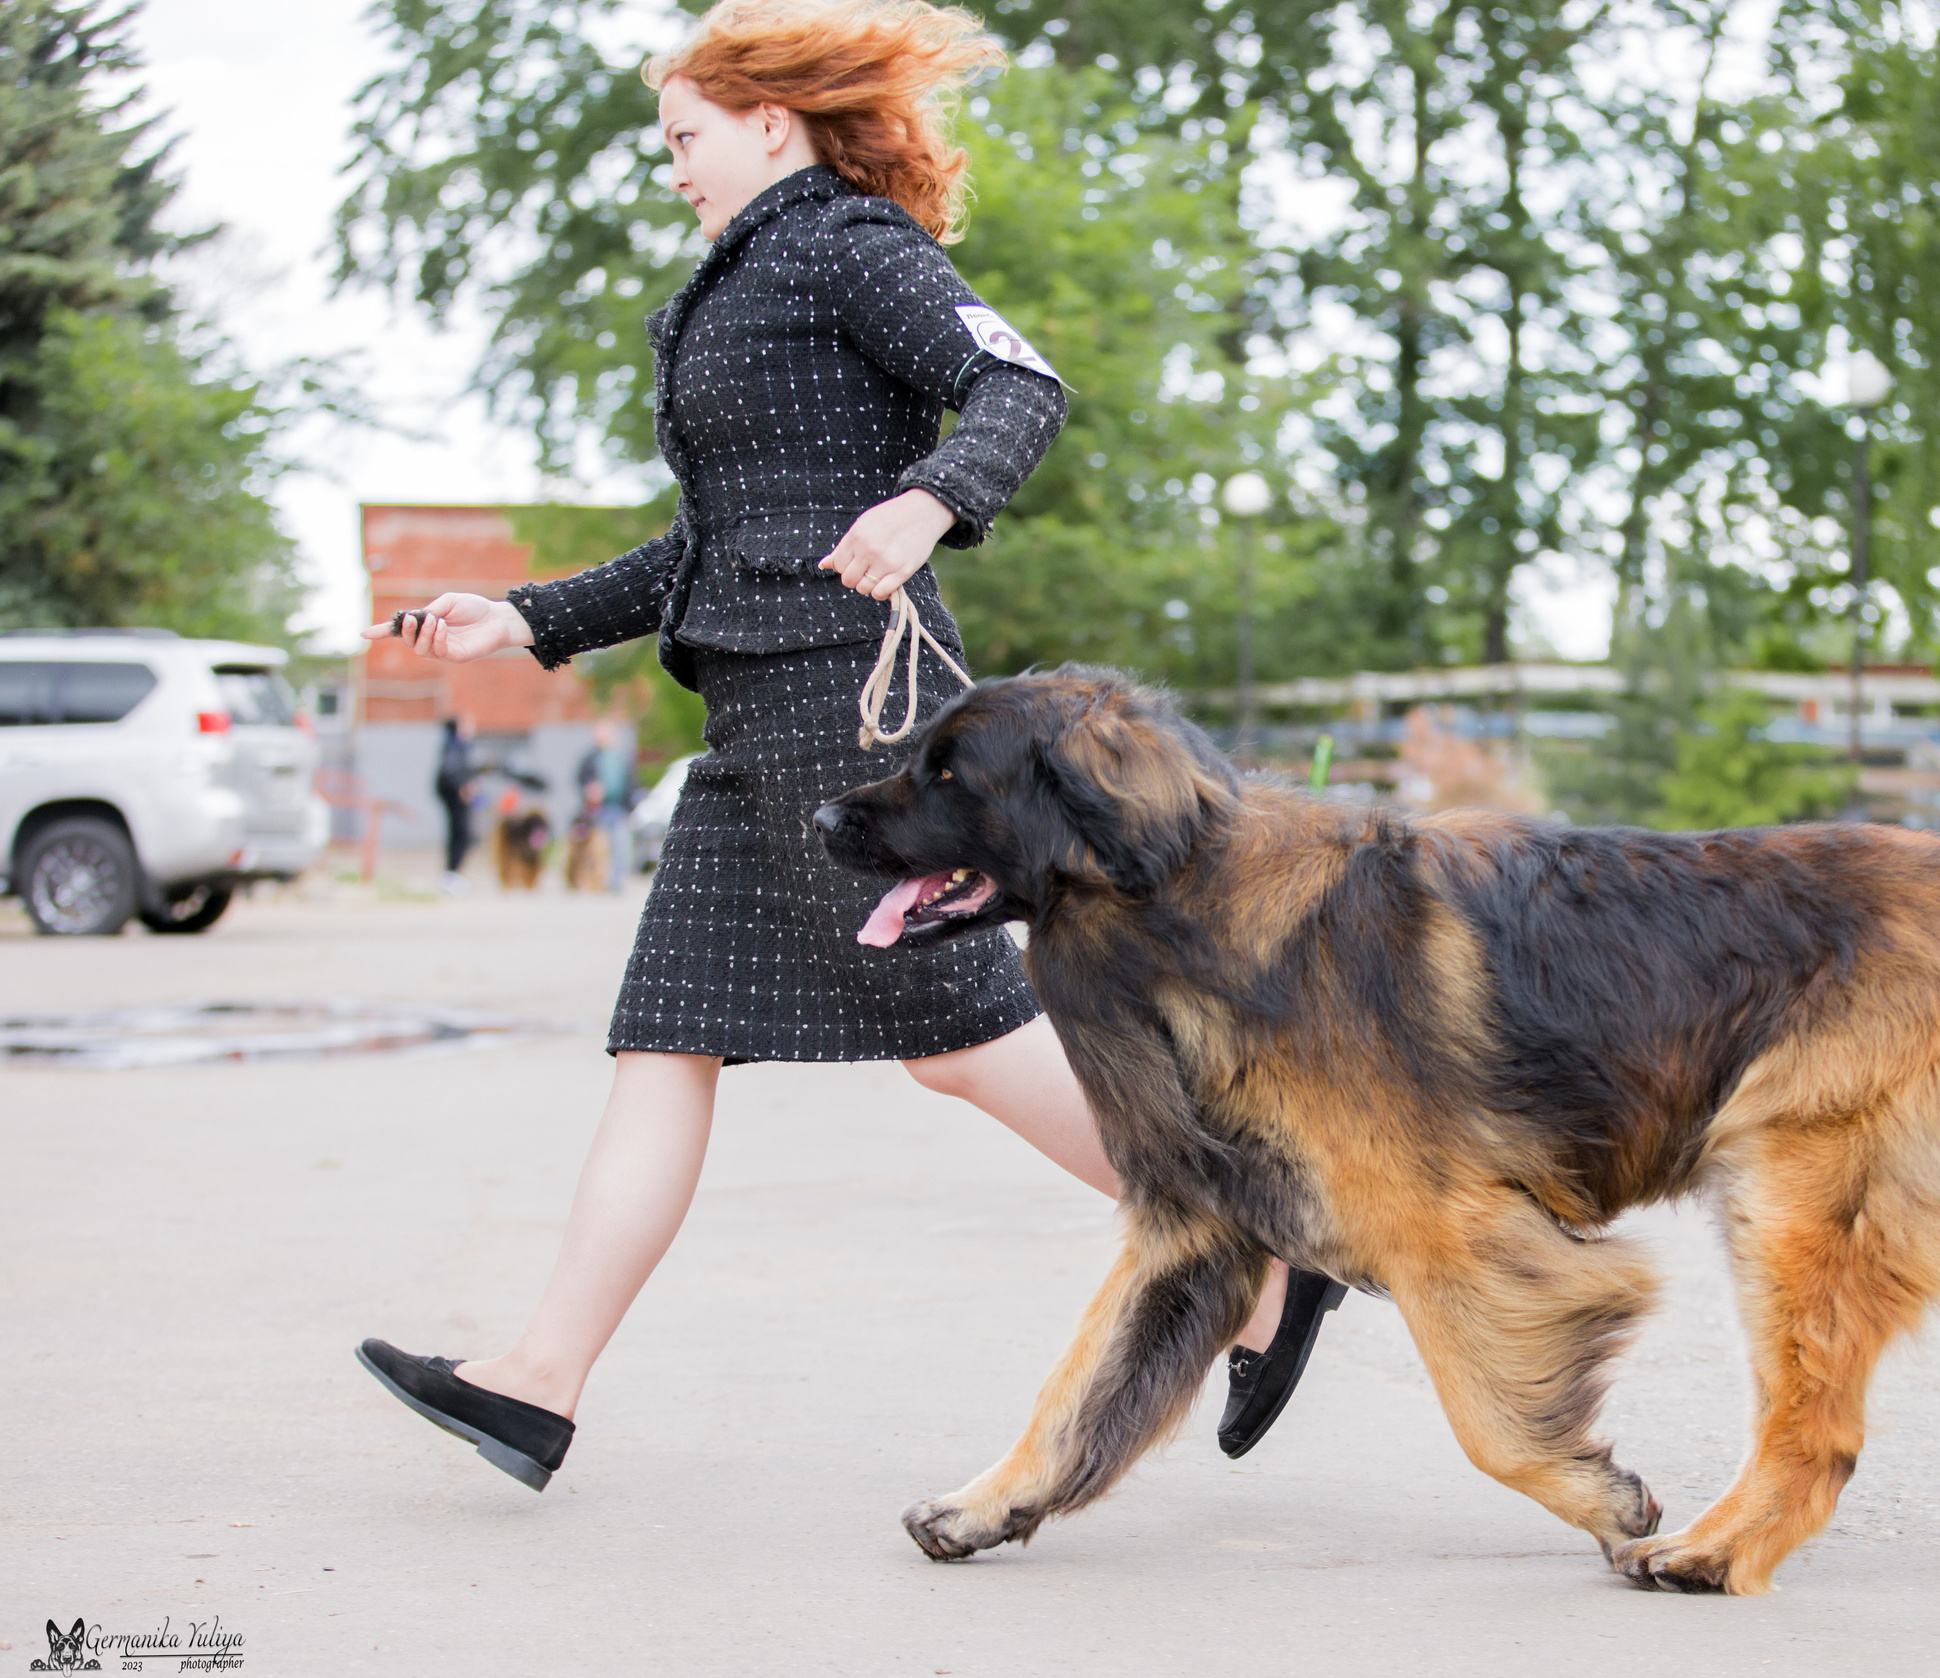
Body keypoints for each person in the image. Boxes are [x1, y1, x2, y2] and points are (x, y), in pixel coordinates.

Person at [350, 0, 1342, 1495]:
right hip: (750, 715)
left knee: (956, 1040)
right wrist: (529, 617)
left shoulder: (849, 248)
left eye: (684, 137)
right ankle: (536, 1381)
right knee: (665, 1046)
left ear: (769, 120)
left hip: (844, 703)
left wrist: (932, 498)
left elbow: (1020, 384)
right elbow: (716, 539)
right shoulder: (739, 277)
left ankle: (1258, 1256)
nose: (671, 165)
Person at [573, 718, 637, 893]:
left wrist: (631, 805)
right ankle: (596, 880)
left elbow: (631, 782)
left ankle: (616, 882)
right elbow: (580, 779)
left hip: (619, 808)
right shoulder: (590, 758)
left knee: (620, 846)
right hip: (597, 810)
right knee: (598, 848)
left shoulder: (621, 757)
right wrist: (589, 789)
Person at [433, 714, 476, 897]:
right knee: (461, 835)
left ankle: (453, 875)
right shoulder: (454, 747)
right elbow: (450, 773)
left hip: (457, 796)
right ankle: (451, 876)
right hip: (456, 797)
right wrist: (462, 786)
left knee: (462, 835)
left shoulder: (458, 747)